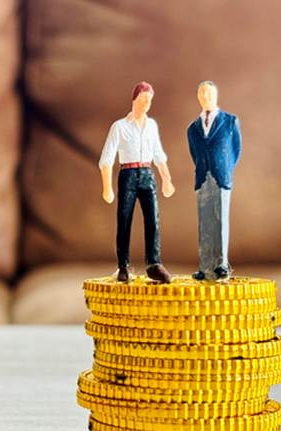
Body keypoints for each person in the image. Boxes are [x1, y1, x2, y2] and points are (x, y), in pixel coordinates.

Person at [99, 81, 176, 283]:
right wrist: (107, 187)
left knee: (153, 219)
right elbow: (107, 158)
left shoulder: (151, 125)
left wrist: (166, 178)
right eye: (143, 99)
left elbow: (158, 154)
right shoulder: (120, 127)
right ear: (134, 99)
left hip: (147, 174)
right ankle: (123, 265)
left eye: (149, 100)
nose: (146, 104)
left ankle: (154, 263)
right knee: (124, 220)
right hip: (128, 174)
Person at [186, 81, 242, 281]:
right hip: (202, 176)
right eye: (202, 94)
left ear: (216, 95)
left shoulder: (229, 121)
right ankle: (205, 265)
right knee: (204, 222)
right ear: (198, 97)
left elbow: (235, 150)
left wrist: (224, 167)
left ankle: (221, 264)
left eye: (209, 93)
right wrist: (204, 166)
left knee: (220, 220)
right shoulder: (192, 128)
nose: (205, 97)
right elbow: (194, 152)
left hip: (221, 176)